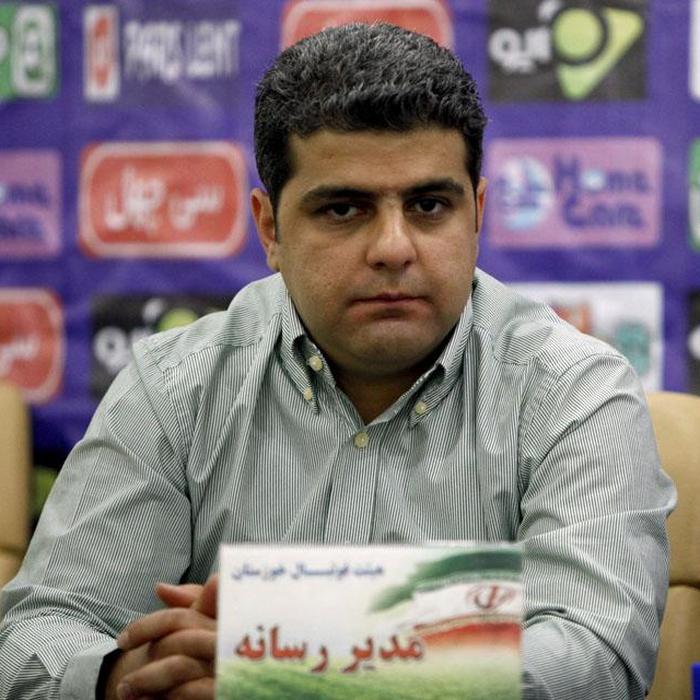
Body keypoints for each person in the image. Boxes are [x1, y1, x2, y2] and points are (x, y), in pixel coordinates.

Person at [0, 22, 675, 700]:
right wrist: (130, 677)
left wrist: (289, 666)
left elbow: (594, 660)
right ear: (270, 228)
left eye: (429, 205)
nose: (393, 248)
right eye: (345, 209)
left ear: (477, 213)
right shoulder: (174, 389)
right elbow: (37, 636)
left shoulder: (573, 389)